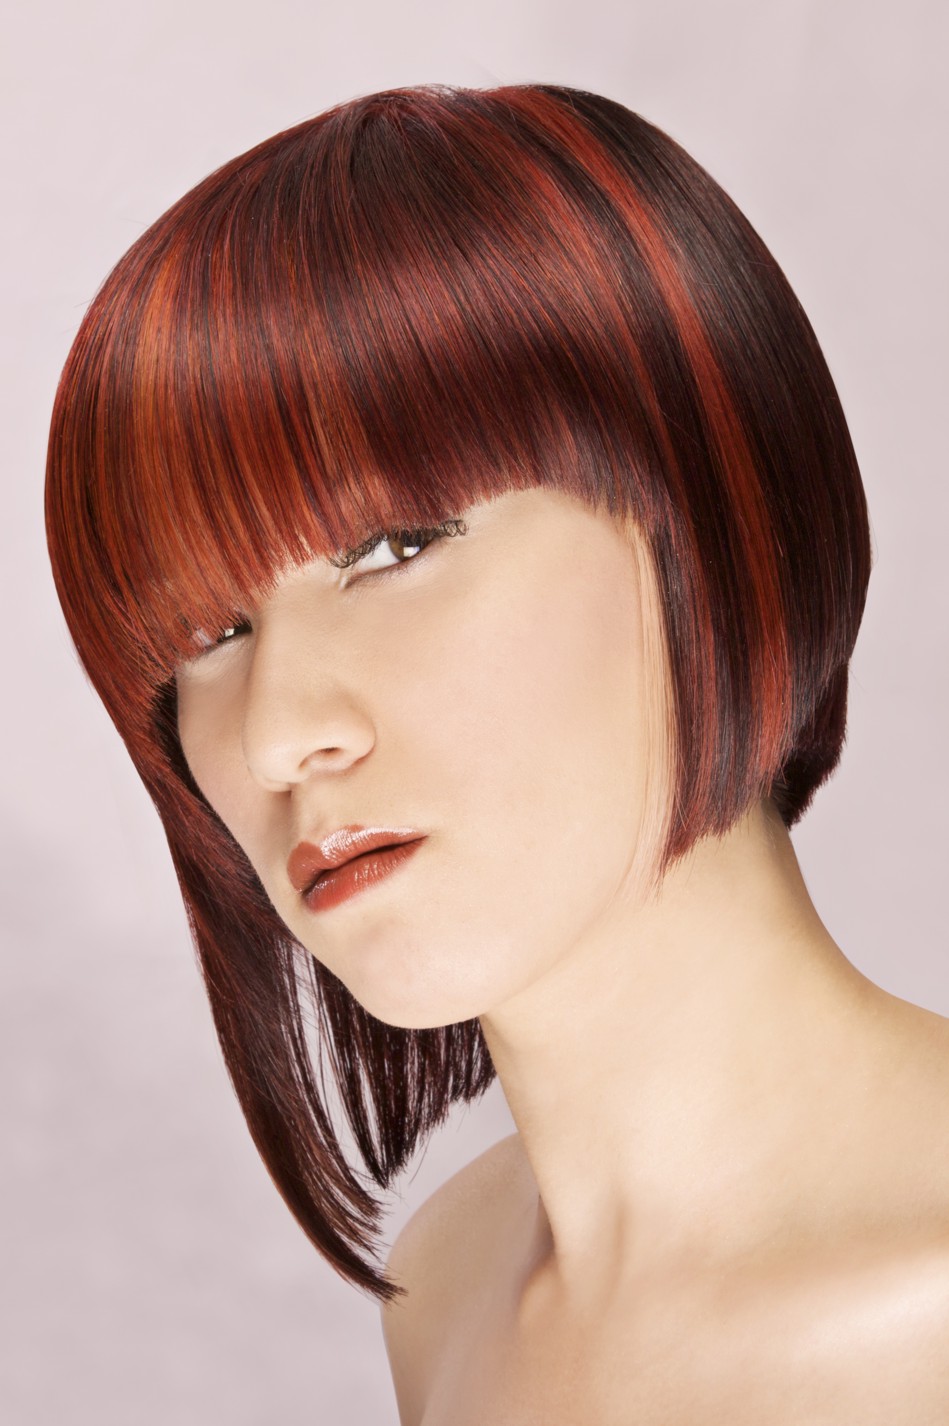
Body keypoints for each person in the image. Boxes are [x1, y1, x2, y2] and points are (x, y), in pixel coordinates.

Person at [44, 82, 949, 1422]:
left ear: (703, 511)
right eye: (208, 633)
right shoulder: (447, 1292)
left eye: (393, 548)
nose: (280, 732)